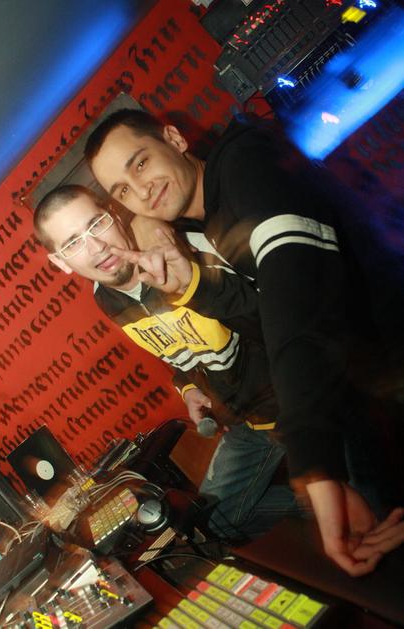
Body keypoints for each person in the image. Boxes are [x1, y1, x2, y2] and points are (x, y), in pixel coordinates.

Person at [83, 108, 404, 575]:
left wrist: (314, 469)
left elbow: (295, 312)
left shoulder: (246, 167)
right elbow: (262, 321)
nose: (142, 190)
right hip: (357, 386)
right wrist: (177, 266)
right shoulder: (196, 224)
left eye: (141, 163)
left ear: (174, 138)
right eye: (124, 191)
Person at [33, 184, 300, 540]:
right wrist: (188, 386)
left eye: (96, 224)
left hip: (297, 399)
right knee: (211, 526)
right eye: (72, 243)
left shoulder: (184, 246)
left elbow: (284, 313)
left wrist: (192, 282)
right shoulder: (106, 299)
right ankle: (315, 506)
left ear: (114, 216)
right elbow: (176, 346)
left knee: (359, 494)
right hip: (243, 419)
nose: (96, 247)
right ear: (60, 262)